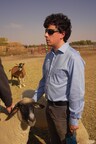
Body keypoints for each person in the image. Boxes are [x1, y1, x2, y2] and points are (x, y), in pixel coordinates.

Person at [32, 13, 85, 144]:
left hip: (63, 111)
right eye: (45, 31)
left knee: (66, 141)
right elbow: (44, 81)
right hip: (49, 107)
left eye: (50, 32)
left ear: (62, 33)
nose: (45, 35)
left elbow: (77, 92)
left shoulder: (73, 58)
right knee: (54, 140)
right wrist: (32, 100)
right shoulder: (49, 56)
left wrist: (73, 119)